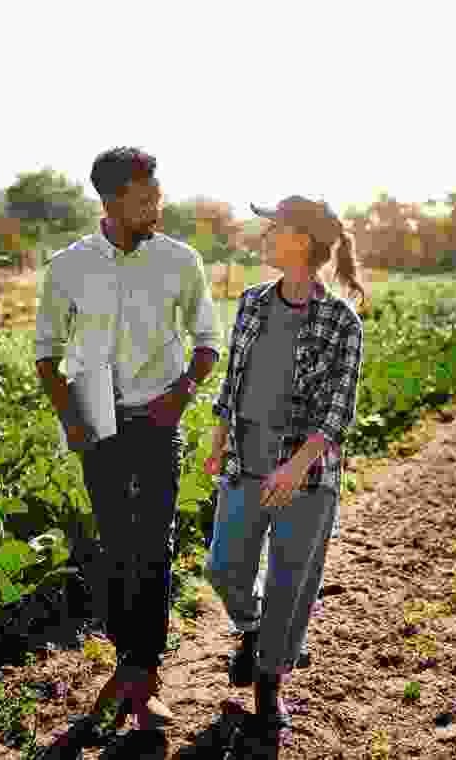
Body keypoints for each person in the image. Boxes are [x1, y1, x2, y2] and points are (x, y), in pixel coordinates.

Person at [34, 147, 222, 732]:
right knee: (116, 547)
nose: (156, 207)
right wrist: (73, 420)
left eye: (157, 196)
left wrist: (183, 391)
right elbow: (46, 354)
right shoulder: (68, 267)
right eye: (145, 199)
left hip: (159, 420)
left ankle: (144, 677)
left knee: (156, 546)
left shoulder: (180, 261)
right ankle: (130, 665)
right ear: (111, 202)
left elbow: (207, 341)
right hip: (98, 422)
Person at [203, 195, 366, 731]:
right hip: (246, 463)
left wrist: (296, 467)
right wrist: (218, 436)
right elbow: (233, 378)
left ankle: (269, 684)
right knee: (223, 567)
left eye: (275, 228)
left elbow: (338, 409)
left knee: (291, 583)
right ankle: (253, 630)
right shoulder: (252, 301)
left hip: (306, 475)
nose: (266, 236)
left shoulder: (341, 321)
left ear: (301, 240)